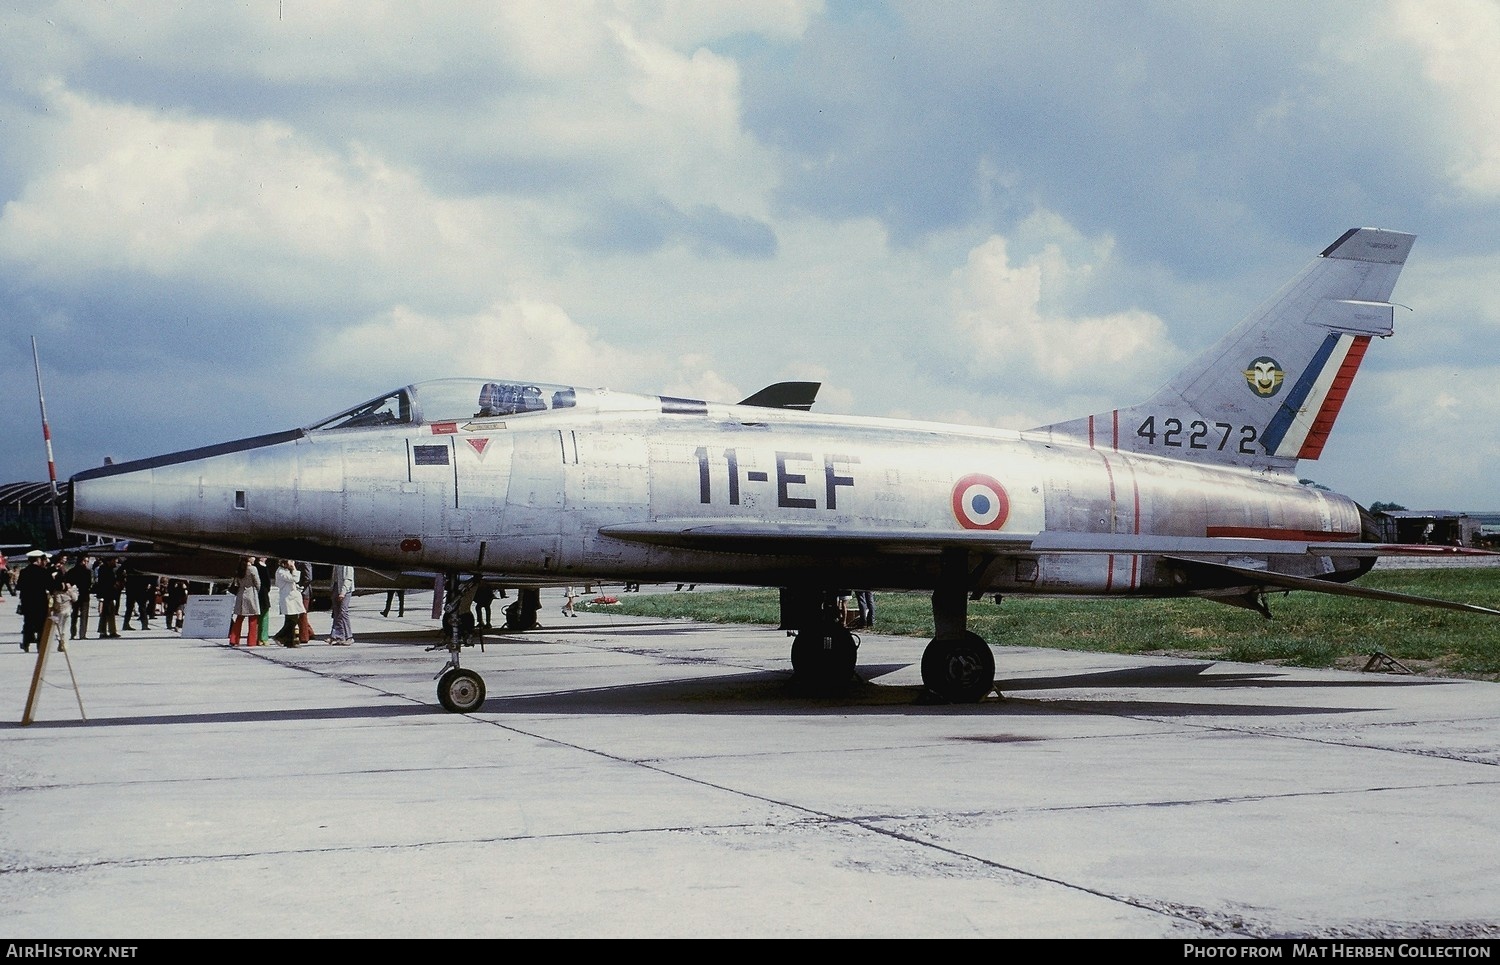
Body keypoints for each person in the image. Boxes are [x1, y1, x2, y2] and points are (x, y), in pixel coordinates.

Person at [17, 550, 55, 652]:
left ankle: (26, 643)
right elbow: (51, 586)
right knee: (41, 624)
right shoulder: (43, 572)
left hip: (27, 601)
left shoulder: (24, 572)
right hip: (40, 601)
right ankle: (40, 644)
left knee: (28, 623)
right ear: (38, 559)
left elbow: (19, 586)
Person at [272, 559, 308, 646]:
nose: (292, 563)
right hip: (288, 598)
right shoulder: (281, 572)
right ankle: (279, 636)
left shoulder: (286, 571)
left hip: (292, 597)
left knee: (291, 619)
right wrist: (294, 568)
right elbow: (295, 579)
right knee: (292, 620)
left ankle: (289, 641)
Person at [229, 557, 261, 646]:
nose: (254, 558)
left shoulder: (240, 569)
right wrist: (257, 591)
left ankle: (234, 639)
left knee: (239, 618)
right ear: (249, 559)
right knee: (253, 618)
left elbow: (237, 583)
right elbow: (257, 582)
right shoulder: (253, 569)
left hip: (241, 593)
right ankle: (251, 641)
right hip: (251, 593)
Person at [66, 554, 94, 640]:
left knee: (74, 615)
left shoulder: (71, 571)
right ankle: (82, 634)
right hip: (84, 594)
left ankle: (73, 633)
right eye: (86, 561)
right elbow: (89, 583)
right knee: (84, 615)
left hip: (75, 595)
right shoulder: (87, 572)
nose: (86, 563)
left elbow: (68, 582)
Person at [95, 556, 122, 639]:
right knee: (106, 613)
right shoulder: (104, 569)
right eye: (114, 560)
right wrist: (114, 584)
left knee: (110, 613)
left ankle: (111, 630)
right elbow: (105, 582)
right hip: (106, 593)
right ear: (109, 561)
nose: (115, 562)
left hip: (109, 594)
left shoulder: (109, 569)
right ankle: (104, 631)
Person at [328, 564, 355, 645]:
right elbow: (335, 577)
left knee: (343, 612)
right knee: (336, 613)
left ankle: (349, 637)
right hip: (336, 587)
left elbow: (348, 579)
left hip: (345, 589)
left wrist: (343, 592)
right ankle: (338, 636)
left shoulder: (347, 564)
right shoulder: (336, 563)